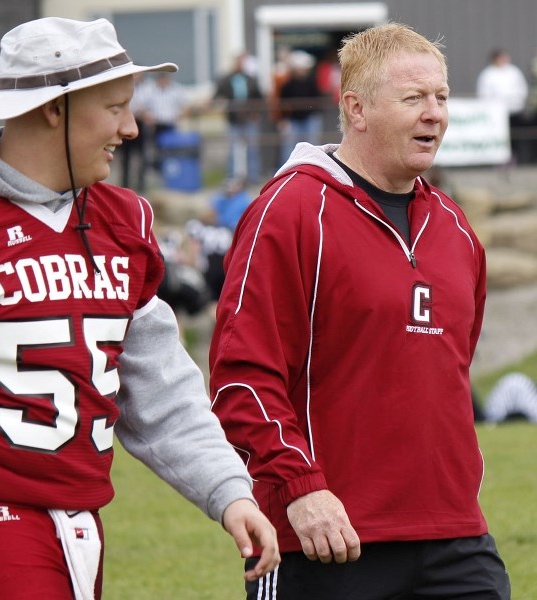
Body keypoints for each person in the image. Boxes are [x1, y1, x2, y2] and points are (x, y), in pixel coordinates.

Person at [0, 17, 279, 600]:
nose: (132, 127)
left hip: (78, 515)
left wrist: (229, 489)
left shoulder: (121, 221)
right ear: (53, 109)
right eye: (115, 107)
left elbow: (159, 386)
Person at [209, 22, 511, 599]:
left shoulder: (456, 230)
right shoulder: (289, 211)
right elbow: (241, 378)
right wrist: (300, 487)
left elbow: (450, 368)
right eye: (413, 99)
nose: (435, 114)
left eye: (442, 98)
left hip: (454, 535)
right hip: (324, 537)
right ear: (356, 109)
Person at [213, 52, 265, 184]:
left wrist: (256, 113)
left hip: (249, 119)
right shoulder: (226, 79)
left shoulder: (251, 79)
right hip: (233, 119)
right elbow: (217, 96)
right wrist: (221, 105)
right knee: (232, 149)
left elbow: (260, 98)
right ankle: (231, 177)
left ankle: (253, 177)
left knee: (252, 149)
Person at [476, 48, 529, 163]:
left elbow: (522, 89)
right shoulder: (487, 75)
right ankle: (502, 161)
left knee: (517, 136)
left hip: (515, 111)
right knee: (502, 137)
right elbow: (483, 95)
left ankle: (518, 160)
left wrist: (517, 101)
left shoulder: (514, 71)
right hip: (497, 114)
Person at [277, 50, 327, 164]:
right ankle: (289, 168)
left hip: (309, 118)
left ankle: (313, 166)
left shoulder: (311, 82)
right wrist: (283, 119)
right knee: (289, 146)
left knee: (313, 146)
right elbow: (282, 103)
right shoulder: (288, 84)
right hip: (293, 119)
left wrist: (316, 113)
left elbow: (318, 98)